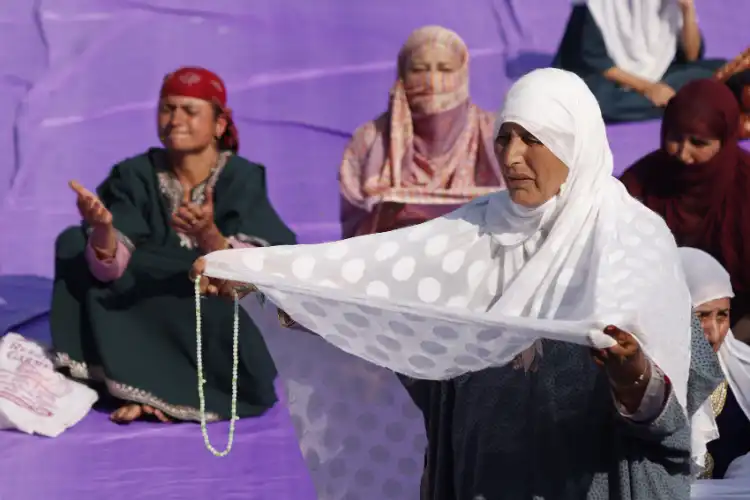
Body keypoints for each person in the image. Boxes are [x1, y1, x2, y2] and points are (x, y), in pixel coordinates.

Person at [193, 68, 702, 499]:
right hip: (483, 473)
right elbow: (365, 279)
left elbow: (666, 400)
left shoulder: (630, 239)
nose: (512, 156)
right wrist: (256, 279)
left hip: (586, 476)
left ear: (575, 143)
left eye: (533, 138)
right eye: (505, 137)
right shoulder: (474, 231)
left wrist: (631, 373)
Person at [51, 66, 296, 424]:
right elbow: (110, 267)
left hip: (211, 303)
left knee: (230, 297)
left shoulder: (242, 178)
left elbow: (270, 261)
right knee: (74, 244)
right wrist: (103, 230)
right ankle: (130, 384)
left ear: (219, 124)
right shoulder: (134, 174)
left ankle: (172, 393)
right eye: (167, 108)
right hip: (149, 292)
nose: (175, 119)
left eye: (190, 110)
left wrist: (210, 236)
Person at [339, 25, 504, 239]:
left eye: (445, 69)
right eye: (419, 69)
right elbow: (356, 228)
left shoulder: (493, 134)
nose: (432, 81)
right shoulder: (370, 140)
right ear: (402, 73)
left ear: (463, 73)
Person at [620, 79, 750, 344]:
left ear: (724, 140)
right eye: (674, 138)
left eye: (698, 143)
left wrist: (727, 346)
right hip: (655, 324)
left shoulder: (745, 190)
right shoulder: (640, 183)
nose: (682, 154)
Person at [552, 0, 725, 123]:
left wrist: (688, 10)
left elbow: (691, 56)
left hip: (657, 71)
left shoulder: (670, 3)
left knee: (720, 69)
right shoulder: (597, 6)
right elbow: (596, 61)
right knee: (594, 101)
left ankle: (678, 98)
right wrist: (649, 88)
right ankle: (685, 98)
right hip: (602, 78)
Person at [678, 247, 750, 480]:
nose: (715, 332)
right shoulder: (637, 378)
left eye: (722, 315)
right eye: (701, 316)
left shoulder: (744, 371)